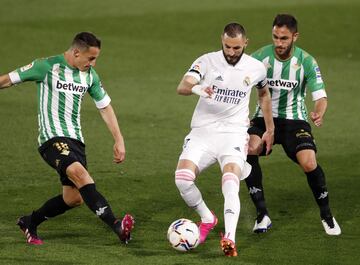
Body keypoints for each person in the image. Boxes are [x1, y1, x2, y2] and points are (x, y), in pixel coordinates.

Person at [0, 32, 135, 245]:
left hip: (76, 141)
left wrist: (119, 139)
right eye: (90, 58)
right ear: (75, 52)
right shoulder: (45, 67)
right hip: (52, 139)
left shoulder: (90, 76)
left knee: (74, 198)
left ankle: (29, 221)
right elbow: (7, 80)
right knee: (79, 174)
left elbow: (105, 106)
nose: (93, 63)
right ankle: (117, 225)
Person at [174, 23, 274, 257]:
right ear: (222, 40)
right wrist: (198, 89)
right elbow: (183, 86)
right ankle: (207, 218)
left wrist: (269, 127)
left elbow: (264, 94)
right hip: (203, 131)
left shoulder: (256, 67)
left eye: (236, 47)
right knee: (182, 180)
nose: (231, 52)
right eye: (227, 46)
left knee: (230, 180)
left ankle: (229, 238)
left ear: (245, 44)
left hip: (234, 133)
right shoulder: (206, 61)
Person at [245, 14, 341, 236]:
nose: (279, 43)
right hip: (262, 118)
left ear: (295, 36)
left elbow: (321, 96)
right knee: (248, 149)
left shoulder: (306, 61)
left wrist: (319, 111)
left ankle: (326, 215)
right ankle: (262, 215)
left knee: (309, 162)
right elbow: (240, 84)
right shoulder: (260, 57)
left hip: (294, 120)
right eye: (275, 37)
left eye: (284, 38)